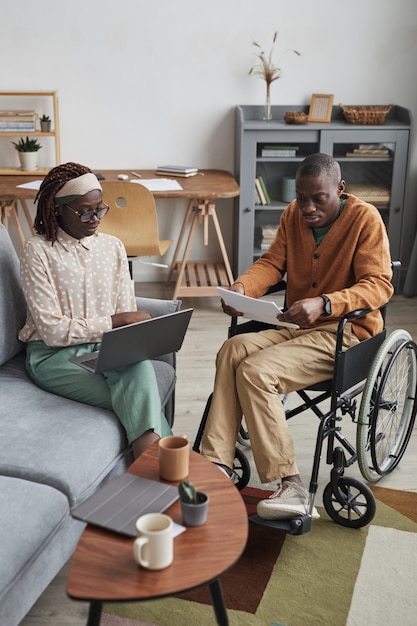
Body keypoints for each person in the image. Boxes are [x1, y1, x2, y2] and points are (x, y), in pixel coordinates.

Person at [201, 153, 394, 520]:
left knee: (257, 372)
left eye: (317, 198)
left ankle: (292, 486)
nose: (307, 207)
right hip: (295, 327)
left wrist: (324, 303)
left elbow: (379, 286)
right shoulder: (292, 215)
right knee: (232, 349)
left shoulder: (365, 219)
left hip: (345, 334)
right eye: (301, 197)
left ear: (340, 188)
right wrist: (243, 288)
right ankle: (218, 464)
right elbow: (272, 264)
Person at [18, 162, 172, 458]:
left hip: (107, 349)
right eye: (84, 211)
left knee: (137, 366)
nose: (94, 218)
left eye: (99, 209)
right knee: (140, 401)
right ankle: (172, 463)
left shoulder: (113, 247)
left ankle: (155, 464)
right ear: (58, 209)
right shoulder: (37, 251)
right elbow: (52, 331)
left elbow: (126, 315)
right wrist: (113, 321)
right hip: (53, 357)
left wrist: (132, 330)